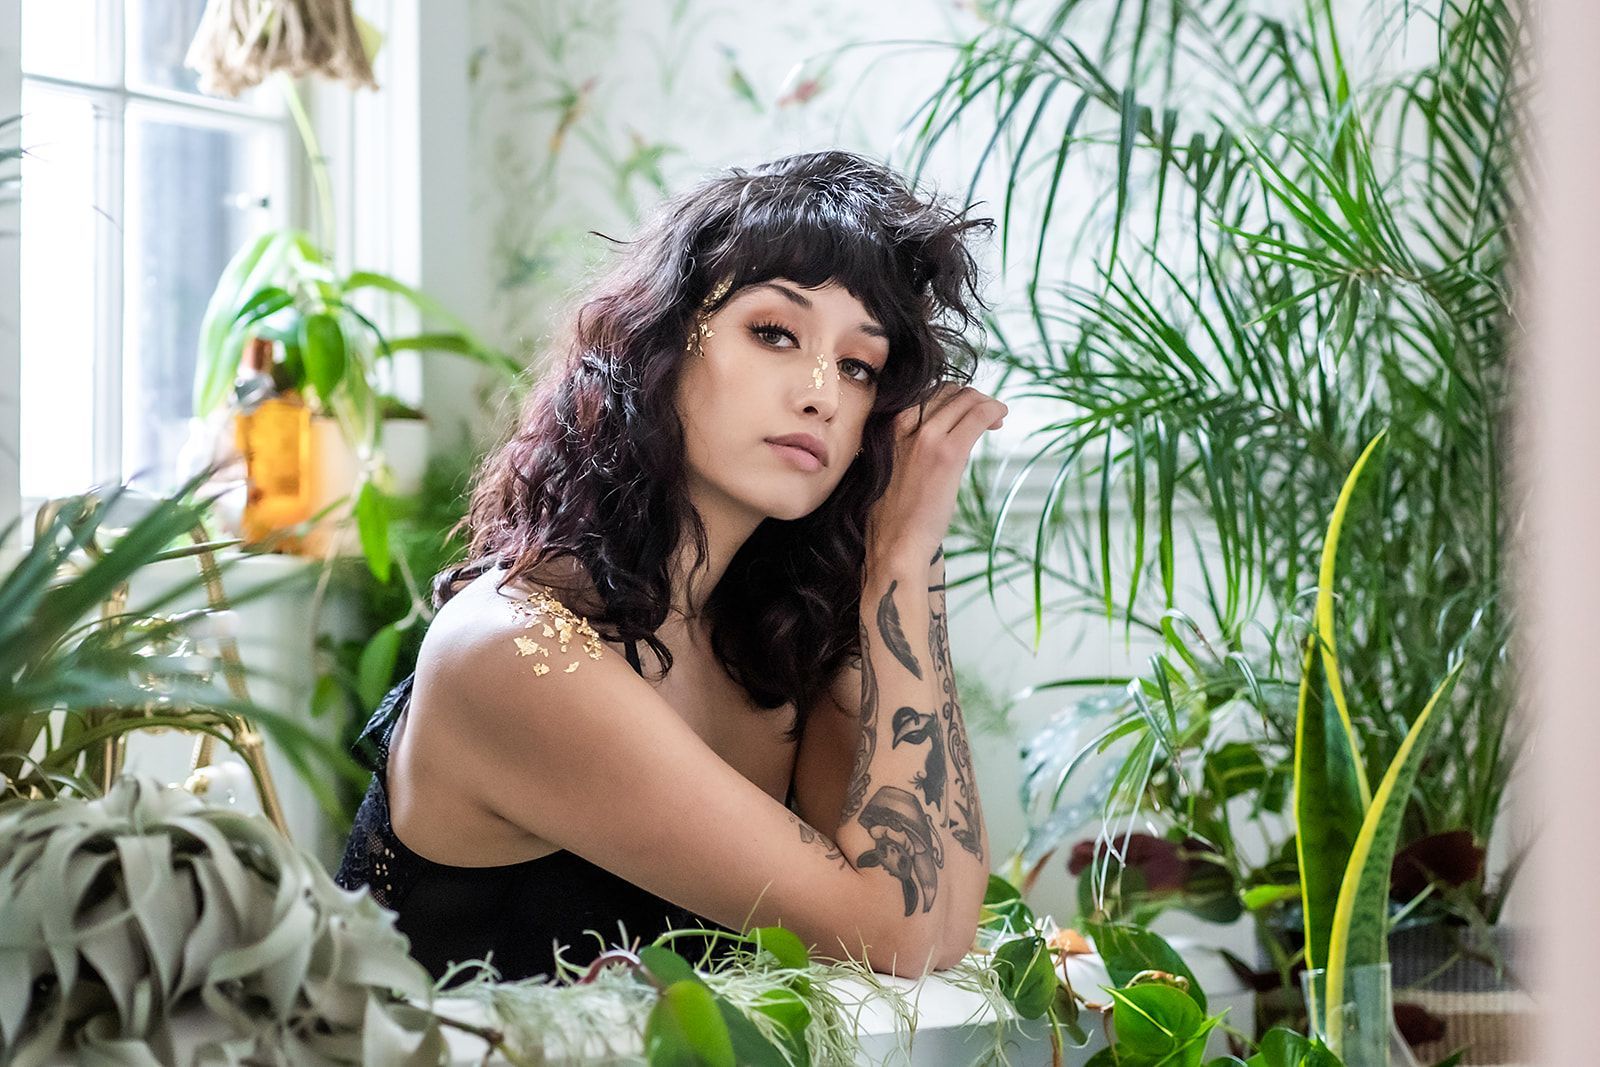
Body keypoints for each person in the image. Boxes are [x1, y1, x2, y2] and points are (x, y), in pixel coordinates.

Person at [334, 149, 1009, 984]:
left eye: (858, 365)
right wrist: (902, 558)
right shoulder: (514, 653)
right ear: (664, 341)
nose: (821, 394)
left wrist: (904, 565)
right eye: (774, 332)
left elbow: (939, 920)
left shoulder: (767, 640)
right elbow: (892, 936)